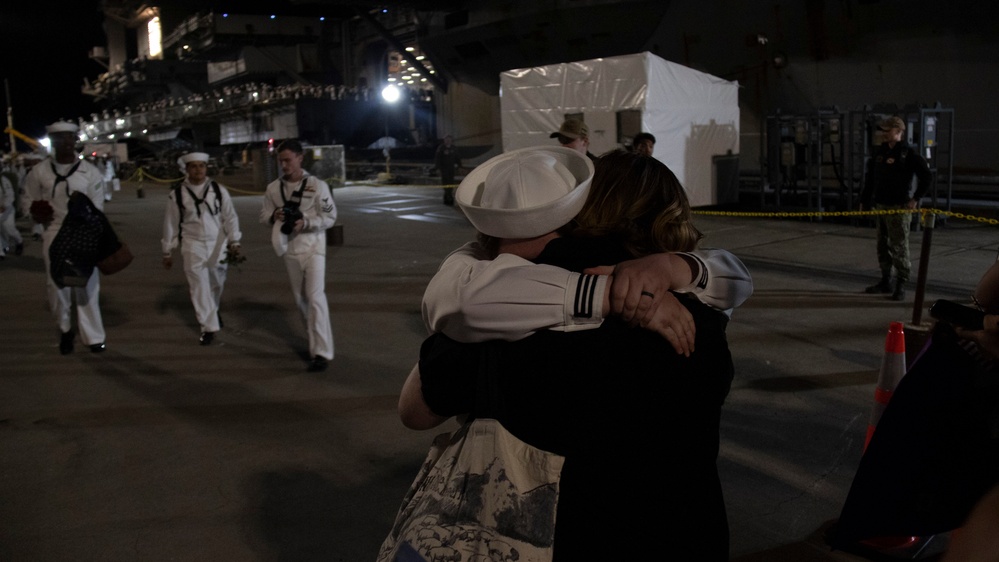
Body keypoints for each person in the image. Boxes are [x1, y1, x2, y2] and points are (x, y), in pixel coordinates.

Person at [401, 148, 736, 560]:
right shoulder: (696, 314)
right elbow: (733, 278)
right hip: (686, 536)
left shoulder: (504, 308)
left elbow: (415, 411)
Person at [21, 121, 107, 354]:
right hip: (54, 230)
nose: (66, 143)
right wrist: (35, 211)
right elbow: (27, 199)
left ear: (75, 141)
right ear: (53, 143)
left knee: (87, 284)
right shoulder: (38, 172)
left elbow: (98, 206)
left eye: (69, 138)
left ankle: (94, 337)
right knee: (57, 285)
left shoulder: (90, 171)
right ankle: (65, 329)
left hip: (83, 233)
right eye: (60, 139)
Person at [259, 139, 337, 372]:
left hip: (314, 249)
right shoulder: (273, 189)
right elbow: (262, 215)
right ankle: (314, 341)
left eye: (288, 160)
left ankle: (321, 352)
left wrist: (308, 222)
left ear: (300, 158)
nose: (284, 165)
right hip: (290, 250)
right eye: (280, 160)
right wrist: (275, 215)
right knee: (301, 301)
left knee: (315, 297)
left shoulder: (317, 185)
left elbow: (330, 217)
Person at [162, 152, 242, 345]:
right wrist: (167, 250)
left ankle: (213, 311)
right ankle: (208, 328)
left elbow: (230, 216)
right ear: (187, 170)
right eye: (194, 166)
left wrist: (234, 240)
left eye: (201, 166)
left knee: (216, 282)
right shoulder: (177, 195)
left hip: (218, 243)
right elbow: (171, 223)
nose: (198, 170)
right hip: (192, 244)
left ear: (206, 168)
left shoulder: (219, 190)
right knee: (198, 286)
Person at [859, 115, 933, 301]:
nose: (883, 134)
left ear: (899, 132)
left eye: (888, 130)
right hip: (881, 206)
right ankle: (886, 281)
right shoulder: (879, 154)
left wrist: (915, 198)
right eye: (882, 130)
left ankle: (901, 284)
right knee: (882, 245)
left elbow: (927, 177)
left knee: (899, 246)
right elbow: (870, 180)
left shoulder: (908, 154)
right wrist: (865, 201)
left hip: (898, 208)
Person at [0, 166, 23, 259]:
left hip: (6, 210)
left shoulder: (3, 181)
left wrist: (4, 206)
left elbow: (10, 195)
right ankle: (1, 252)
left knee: (9, 230)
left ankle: (19, 242)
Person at [433, 134, 461, 206]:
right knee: (445, 181)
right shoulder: (441, 148)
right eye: (446, 139)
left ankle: (450, 195)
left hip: (451, 168)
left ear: (451, 140)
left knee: (451, 181)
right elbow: (438, 159)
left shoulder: (454, 148)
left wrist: (459, 166)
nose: (448, 141)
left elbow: (457, 157)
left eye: (449, 139)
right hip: (444, 168)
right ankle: (447, 195)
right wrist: (437, 168)